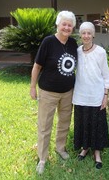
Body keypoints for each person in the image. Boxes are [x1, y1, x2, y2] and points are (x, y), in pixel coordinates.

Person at [30, 10, 78, 174]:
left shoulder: (73, 43)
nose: (66, 27)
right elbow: (37, 66)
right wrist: (32, 87)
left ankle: (60, 148)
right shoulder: (48, 42)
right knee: (45, 125)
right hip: (48, 92)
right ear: (58, 24)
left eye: (69, 25)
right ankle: (42, 158)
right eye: (64, 24)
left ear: (72, 27)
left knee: (64, 122)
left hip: (67, 92)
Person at [72, 21, 109, 169]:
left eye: (89, 33)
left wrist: (106, 94)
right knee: (83, 122)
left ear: (93, 34)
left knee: (96, 124)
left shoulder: (100, 52)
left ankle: (97, 153)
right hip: (81, 95)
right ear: (80, 35)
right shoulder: (77, 51)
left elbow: (107, 75)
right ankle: (85, 148)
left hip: (96, 95)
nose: (86, 36)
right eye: (83, 33)